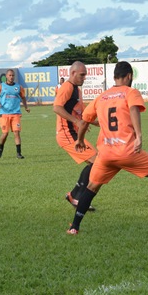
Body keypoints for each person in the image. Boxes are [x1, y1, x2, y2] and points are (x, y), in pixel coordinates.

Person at [68, 61, 148, 234]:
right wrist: (139, 136)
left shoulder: (101, 97)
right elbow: (133, 110)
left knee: (91, 187)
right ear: (129, 76)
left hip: (106, 154)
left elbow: (84, 121)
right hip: (127, 151)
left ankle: (74, 227)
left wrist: (80, 140)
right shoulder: (130, 92)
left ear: (115, 76)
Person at [53, 61, 97, 211]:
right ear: (72, 73)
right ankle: (76, 196)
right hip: (67, 134)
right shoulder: (67, 87)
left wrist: (101, 123)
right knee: (97, 161)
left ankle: (75, 196)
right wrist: (76, 122)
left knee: (96, 162)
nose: (84, 78)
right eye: (82, 75)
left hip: (73, 133)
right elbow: (56, 107)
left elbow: (84, 114)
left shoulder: (76, 90)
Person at [0, 69, 29, 159]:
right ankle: (0, 149)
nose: (11, 77)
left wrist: (26, 107)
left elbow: (23, 97)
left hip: (15, 113)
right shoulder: (1, 86)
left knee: (16, 133)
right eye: (10, 75)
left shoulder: (18, 87)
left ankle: (19, 153)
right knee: (5, 133)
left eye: (13, 75)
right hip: (3, 113)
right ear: (6, 76)